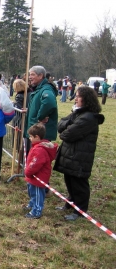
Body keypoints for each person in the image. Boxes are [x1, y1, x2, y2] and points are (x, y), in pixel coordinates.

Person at [53, 86, 104, 221]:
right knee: (69, 180)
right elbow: (60, 125)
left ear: (86, 100)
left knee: (79, 184)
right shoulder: (77, 113)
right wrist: (70, 121)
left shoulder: (88, 118)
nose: (75, 98)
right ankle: (70, 203)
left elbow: (67, 134)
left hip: (80, 157)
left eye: (78, 96)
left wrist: (67, 127)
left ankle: (80, 210)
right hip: (70, 155)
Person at [24, 123, 58, 219]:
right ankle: (32, 204)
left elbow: (35, 164)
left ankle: (36, 211)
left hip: (39, 177)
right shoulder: (36, 146)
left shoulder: (39, 150)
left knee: (38, 194)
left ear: (37, 137)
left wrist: (28, 171)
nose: (29, 138)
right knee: (31, 192)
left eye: (31, 136)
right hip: (33, 176)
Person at [24, 66, 58, 149]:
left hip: (40, 134)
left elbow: (49, 102)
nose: (30, 77)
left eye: (32, 75)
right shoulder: (38, 89)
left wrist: (40, 116)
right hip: (35, 133)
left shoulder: (46, 89)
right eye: (29, 75)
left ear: (40, 76)